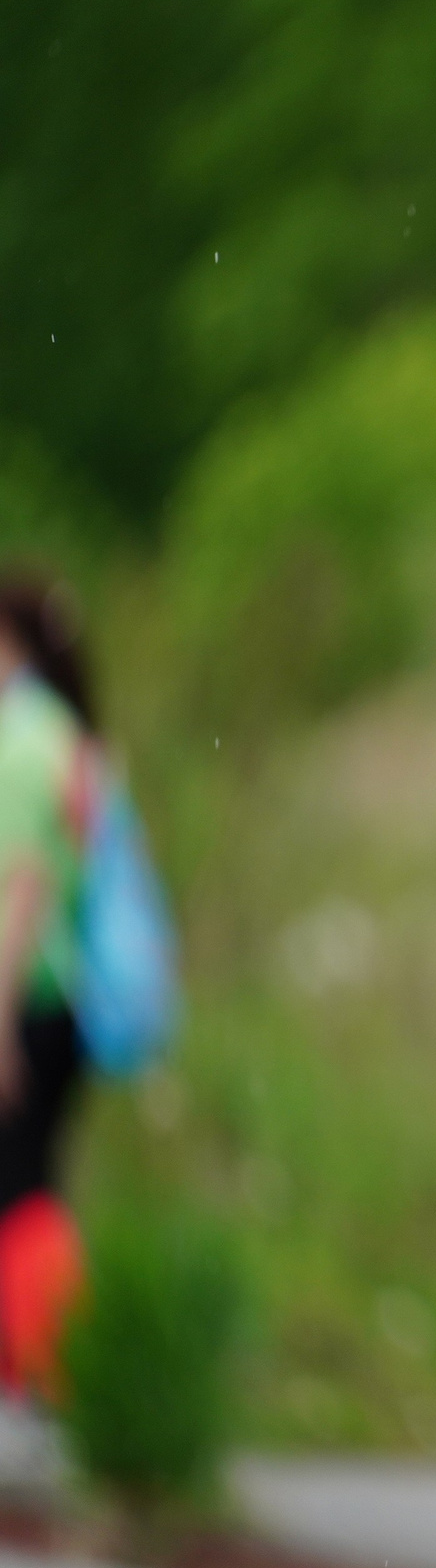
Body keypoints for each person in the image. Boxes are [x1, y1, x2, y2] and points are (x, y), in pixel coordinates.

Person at [0, 574, 98, 1400]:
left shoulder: (23, 739)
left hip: (25, 995)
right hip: (61, 993)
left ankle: (42, 1372)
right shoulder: (64, 730)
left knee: (19, 1184)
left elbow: (22, 884)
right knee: (35, 1178)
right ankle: (44, 1370)